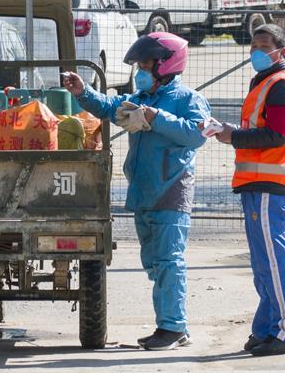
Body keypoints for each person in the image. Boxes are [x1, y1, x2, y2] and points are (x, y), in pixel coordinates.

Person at [62, 33, 210, 351]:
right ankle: (170, 324)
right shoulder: (141, 98)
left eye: (144, 65)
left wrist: (158, 119)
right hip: (143, 190)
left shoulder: (188, 100)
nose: (140, 71)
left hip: (171, 189)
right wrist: (83, 92)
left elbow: (196, 135)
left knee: (169, 261)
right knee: (154, 262)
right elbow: (111, 107)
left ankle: (172, 327)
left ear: (165, 65)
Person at [205, 23, 285, 357]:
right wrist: (231, 131)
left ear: (282, 51)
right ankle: (266, 328)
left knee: (274, 262)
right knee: (264, 263)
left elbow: (277, 135)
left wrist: (232, 136)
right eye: (253, 46)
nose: (257, 52)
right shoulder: (265, 82)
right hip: (260, 184)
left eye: (264, 46)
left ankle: (284, 332)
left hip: (273, 185)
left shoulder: (281, 85)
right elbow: (263, 130)